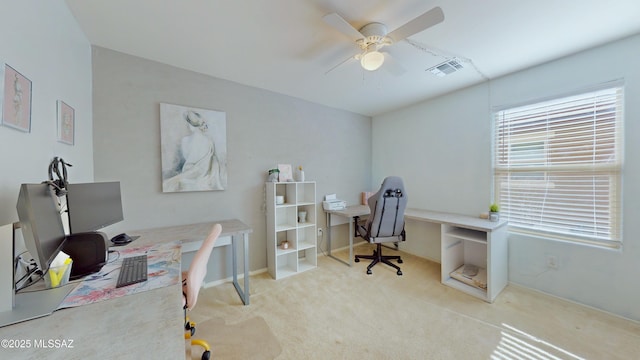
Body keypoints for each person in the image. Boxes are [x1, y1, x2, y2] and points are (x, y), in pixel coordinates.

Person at [163, 110, 223, 191]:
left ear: (190, 125)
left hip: (187, 178)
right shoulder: (209, 141)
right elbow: (214, 164)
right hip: (202, 178)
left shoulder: (184, 140)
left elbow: (185, 159)